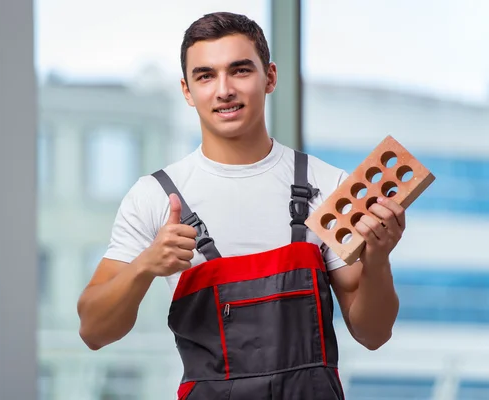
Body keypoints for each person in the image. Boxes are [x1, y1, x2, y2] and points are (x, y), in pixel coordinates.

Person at [77, 11, 402, 400]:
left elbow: (373, 334)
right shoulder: (155, 197)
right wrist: (145, 265)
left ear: (270, 77)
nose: (224, 90)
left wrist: (379, 259)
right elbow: (94, 332)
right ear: (186, 90)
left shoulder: (328, 186)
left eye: (240, 70)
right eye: (205, 76)